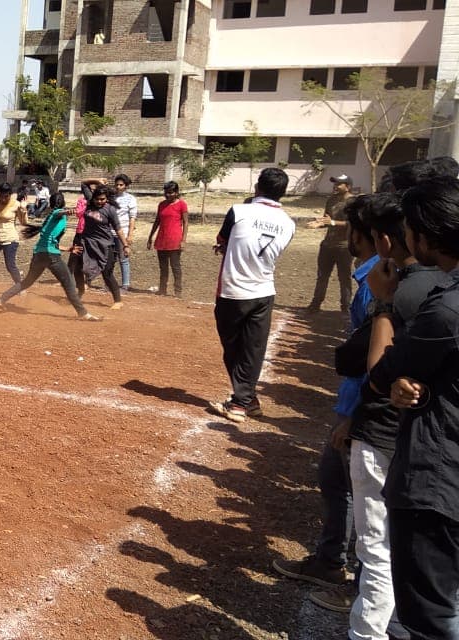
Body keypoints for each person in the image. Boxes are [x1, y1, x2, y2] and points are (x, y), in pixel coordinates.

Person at [276, 195, 380, 615]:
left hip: (364, 404)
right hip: (356, 399)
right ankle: (332, 561)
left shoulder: (379, 282)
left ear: (364, 235)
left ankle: (358, 580)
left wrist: (355, 415)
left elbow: (382, 355)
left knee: (362, 492)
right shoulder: (371, 276)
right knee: (337, 478)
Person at [365, 176, 459, 639]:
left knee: (430, 618)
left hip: (438, 475)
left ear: (425, 234)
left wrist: (384, 306)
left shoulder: (445, 309)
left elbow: (381, 372)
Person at [209, 167, 296, 422]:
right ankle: (248, 399)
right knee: (254, 348)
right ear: (284, 193)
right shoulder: (290, 223)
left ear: (257, 188)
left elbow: (223, 239)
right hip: (264, 290)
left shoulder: (239, 211)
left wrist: (227, 247)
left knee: (233, 348)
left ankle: (239, 403)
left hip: (232, 290)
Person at [0, 191, 99, 320]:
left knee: (27, 282)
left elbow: (51, 241)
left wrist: (68, 248)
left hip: (39, 254)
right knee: (68, 283)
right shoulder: (57, 213)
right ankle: (83, 313)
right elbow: (60, 212)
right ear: (62, 203)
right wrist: (72, 210)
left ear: (50, 203)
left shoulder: (51, 217)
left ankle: (2, 299)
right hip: (50, 256)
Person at [305, 174, 356, 313]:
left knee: (344, 277)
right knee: (322, 275)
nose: (335, 186)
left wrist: (332, 222)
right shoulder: (331, 200)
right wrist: (318, 223)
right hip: (328, 245)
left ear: (348, 186)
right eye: (335, 183)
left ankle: (345, 307)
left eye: (339, 184)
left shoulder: (353, 202)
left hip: (344, 246)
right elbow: (327, 220)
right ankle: (316, 304)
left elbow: (353, 223)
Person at [73, 184, 125, 309]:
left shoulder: (110, 210)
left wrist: (126, 245)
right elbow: (84, 184)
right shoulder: (90, 202)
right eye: (98, 199)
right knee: (78, 269)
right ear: (94, 198)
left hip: (105, 246)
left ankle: (118, 300)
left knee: (107, 273)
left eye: (103, 199)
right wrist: (98, 181)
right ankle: (80, 292)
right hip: (87, 243)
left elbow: (118, 229)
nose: (100, 202)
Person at [147, 181, 189, 297]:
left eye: (171, 192)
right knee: (163, 267)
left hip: (175, 239)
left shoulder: (182, 205)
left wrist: (183, 240)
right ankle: (162, 289)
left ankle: (178, 291)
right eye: (166, 192)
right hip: (162, 239)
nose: (168, 195)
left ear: (176, 192)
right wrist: (150, 237)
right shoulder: (161, 205)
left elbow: (185, 223)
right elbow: (157, 221)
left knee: (175, 266)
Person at [114, 174, 138, 291]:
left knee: (123, 258)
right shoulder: (111, 197)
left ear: (126, 186)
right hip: (110, 232)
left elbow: (132, 217)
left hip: (122, 232)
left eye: (121, 185)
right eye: (117, 184)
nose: (118, 187)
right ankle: (110, 284)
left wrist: (130, 235)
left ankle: (125, 284)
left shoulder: (131, 199)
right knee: (109, 259)